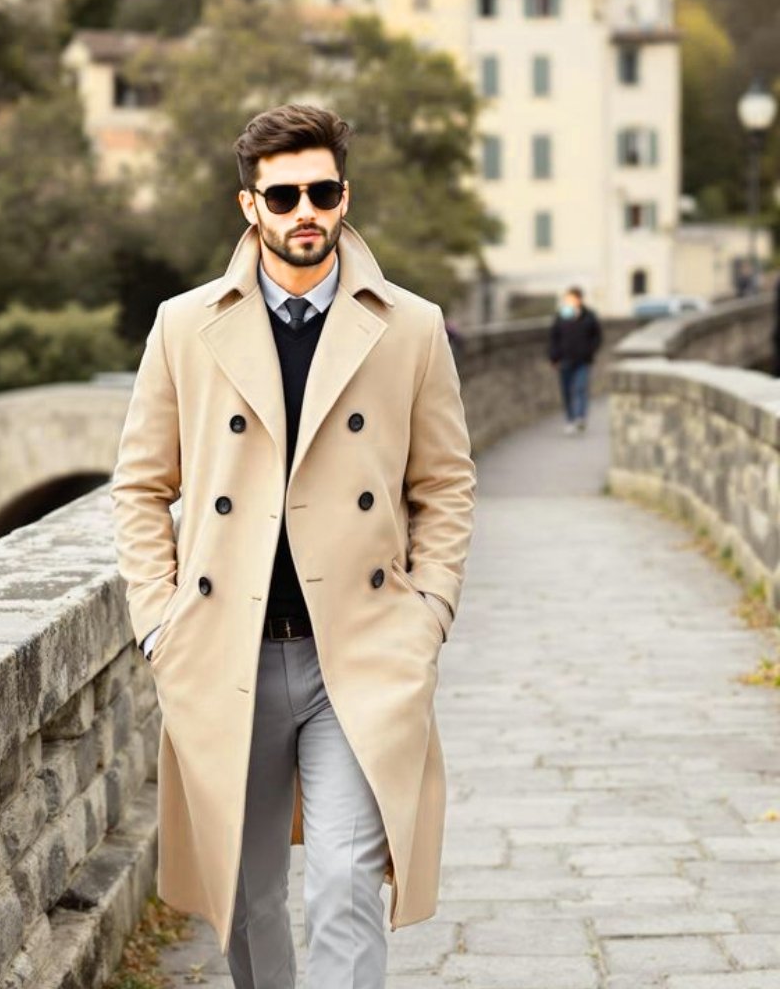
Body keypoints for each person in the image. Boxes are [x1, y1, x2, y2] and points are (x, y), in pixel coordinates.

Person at [110, 103, 476, 989]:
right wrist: (160, 623)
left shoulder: (412, 326)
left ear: (344, 197)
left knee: (349, 880)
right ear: (251, 207)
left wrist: (426, 615)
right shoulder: (184, 325)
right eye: (283, 196)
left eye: (320, 192)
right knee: (249, 892)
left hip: (358, 647)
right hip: (225, 648)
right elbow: (139, 486)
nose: (302, 211)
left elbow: (446, 486)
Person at [548, 285, 602, 435]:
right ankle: (570, 419)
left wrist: (590, 351)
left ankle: (580, 417)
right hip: (564, 359)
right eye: (567, 299)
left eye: (571, 298)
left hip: (582, 360)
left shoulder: (589, 316)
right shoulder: (561, 316)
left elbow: (596, 336)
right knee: (567, 391)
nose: (568, 301)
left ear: (579, 299)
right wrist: (554, 357)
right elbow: (554, 338)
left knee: (580, 388)